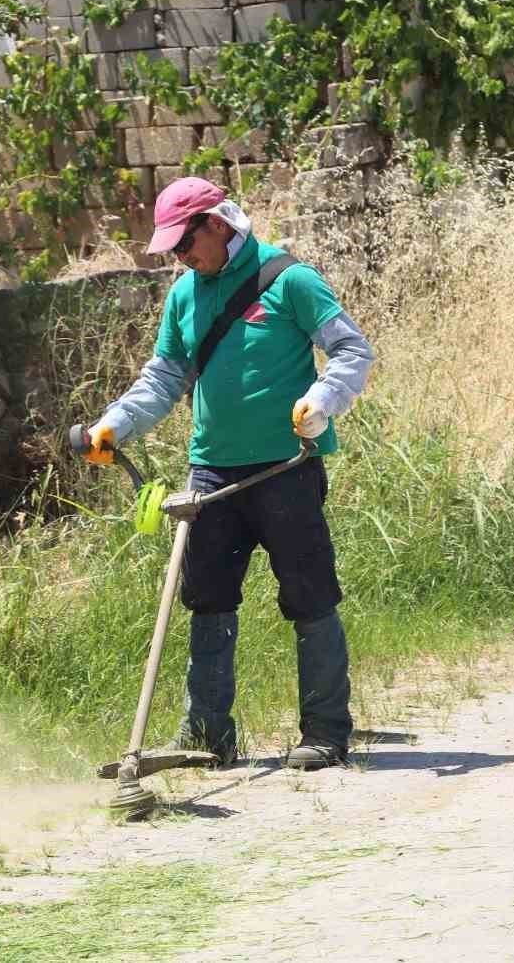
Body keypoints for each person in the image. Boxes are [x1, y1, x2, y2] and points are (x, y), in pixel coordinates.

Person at [84, 177, 374, 771]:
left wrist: (321, 402)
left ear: (216, 223)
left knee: (308, 595)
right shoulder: (185, 295)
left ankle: (325, 731)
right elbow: (165, 377)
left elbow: (351, 350)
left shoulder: (289, 278)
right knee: (206, 599)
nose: (178, 259)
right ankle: (206, 737)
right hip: (210, 472)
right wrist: (114, 423)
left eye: (183, 243)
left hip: (287, 467)